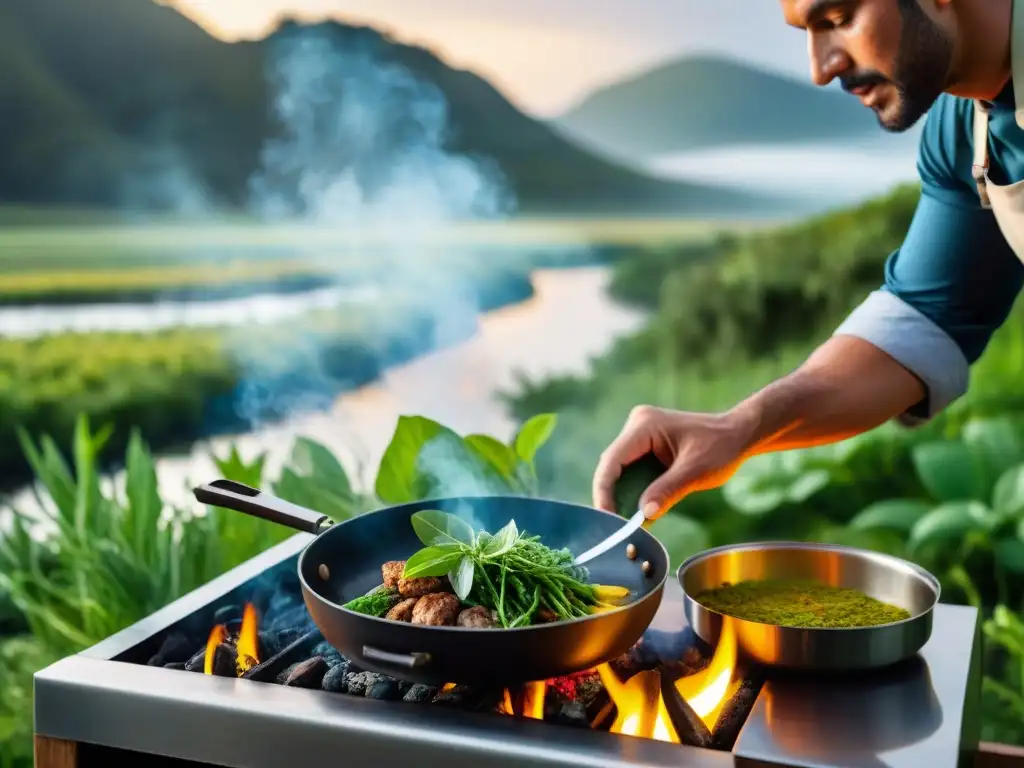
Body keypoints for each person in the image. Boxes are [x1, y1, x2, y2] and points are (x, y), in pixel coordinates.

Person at [592, 0, 1024, 520]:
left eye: (839, 19)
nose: (822, 70)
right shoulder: (963, 134)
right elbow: (921, 324)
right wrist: (738, 427)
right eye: (807, 31)